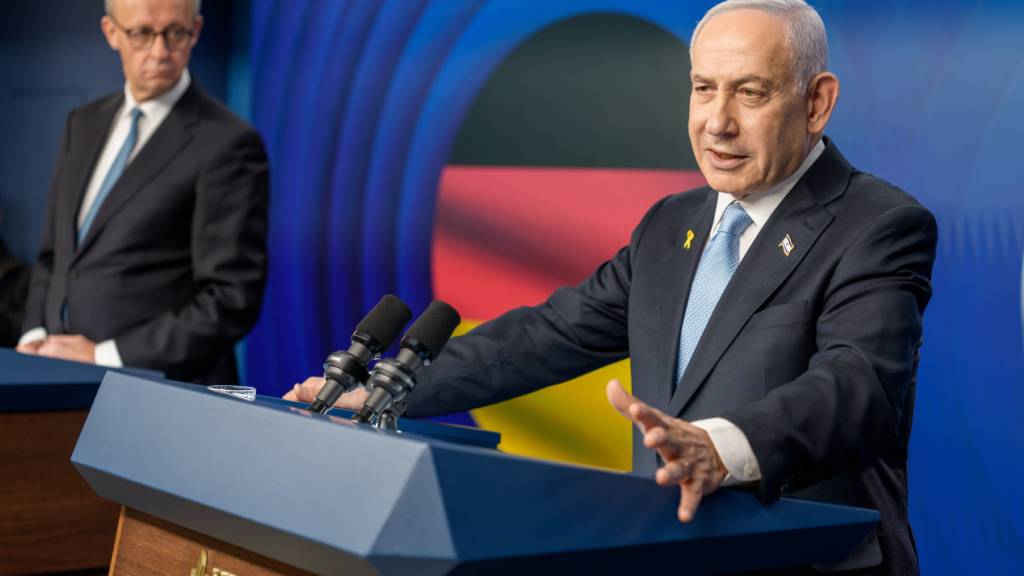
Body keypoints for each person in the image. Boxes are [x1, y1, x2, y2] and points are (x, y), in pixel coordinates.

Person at [288, 1, 935, 573]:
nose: (717, 121)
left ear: (816, 101)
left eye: (750, 92)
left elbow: (858, 388)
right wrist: (392, 389)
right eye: (703, 89)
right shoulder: (669, 225)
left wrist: (721, 446)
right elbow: (548, 335)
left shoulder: (877, 224)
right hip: (666, 553)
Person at [16, 0, 269, 384]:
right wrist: (36, 334)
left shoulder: (229, 142)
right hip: (60, 383)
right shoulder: (81, 125)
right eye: (142, 33)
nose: (160, 51)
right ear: (111, 32)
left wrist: (105, 355)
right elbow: (56, 257)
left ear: (196, 30)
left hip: (162, 392)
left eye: (175, 33)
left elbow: (231, 299)